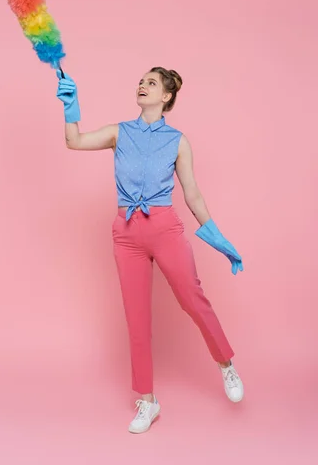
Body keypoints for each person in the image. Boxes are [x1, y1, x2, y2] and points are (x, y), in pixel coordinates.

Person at [56, 66, 244, 434]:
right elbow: (74, 141)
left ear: (167, 97)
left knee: (193, 299)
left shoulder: (178, 141)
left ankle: (226, 365)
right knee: (137, 318)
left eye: (152, 83)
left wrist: (218, 238)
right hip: (126, 234)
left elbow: (192, 194)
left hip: (164, 229)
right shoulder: (119, 132)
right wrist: (70, 106)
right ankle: (148, 400)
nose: (142, 85)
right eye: (141, 81)